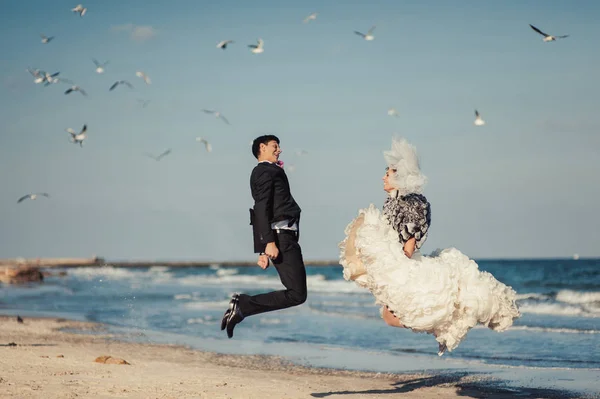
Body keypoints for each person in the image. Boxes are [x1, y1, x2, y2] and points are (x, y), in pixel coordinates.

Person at [339, 137, 520, 355]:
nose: (383, 177)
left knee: (413, 312)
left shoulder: (416, 203)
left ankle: (444, 322)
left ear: (398, 178)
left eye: (387, 174)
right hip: (394, 263)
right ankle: (439, 323)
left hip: (404, 263)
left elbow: (412, 236)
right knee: (389, 317)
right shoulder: (391, 201)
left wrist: (402, 266)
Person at [221, 135, 307, 339]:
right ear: (262, 147)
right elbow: (260, 209)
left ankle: (242, 307)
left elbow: (262, 211)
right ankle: (242, 305)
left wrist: (263, 250)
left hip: (283, 238)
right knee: (297, 294)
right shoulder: (264, 171)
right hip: (281, 238)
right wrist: (268, 243)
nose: (279, 150)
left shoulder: (269, 170)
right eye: (275, 146)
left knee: (297, 294)